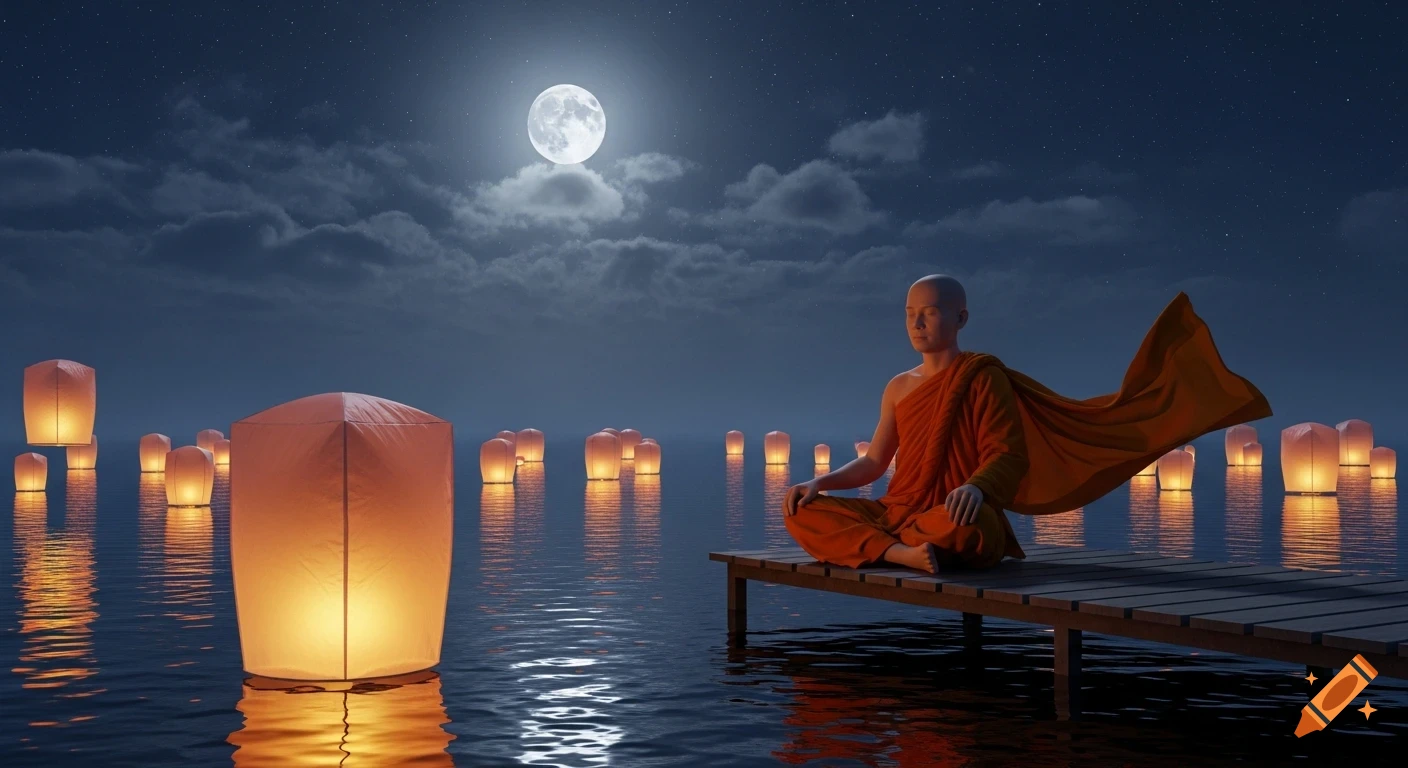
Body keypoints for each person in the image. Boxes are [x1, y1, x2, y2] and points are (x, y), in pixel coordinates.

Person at [782, 275, 1271, 573]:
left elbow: (1008, 455)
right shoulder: (898, 386)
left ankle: (896, 548)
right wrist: (817, 481)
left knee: (962, 527)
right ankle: (900, 555)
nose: (917, 324)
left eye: (929, 313)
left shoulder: (980, 377)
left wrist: (976, 488)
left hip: (954, 513)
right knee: (801, 511)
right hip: (902, 514)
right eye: (910, 314)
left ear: (960, 317)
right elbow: (873, 462)